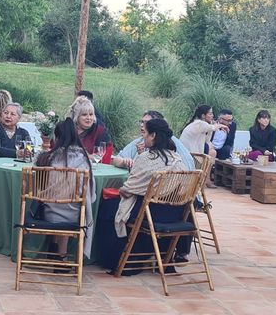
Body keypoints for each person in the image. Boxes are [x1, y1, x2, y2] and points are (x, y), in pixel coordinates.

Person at [97, 119, 190, 272]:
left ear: (153, 135)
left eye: (145, 133)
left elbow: (128, 189)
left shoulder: (146, 158)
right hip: (175, 214)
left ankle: (114, 259)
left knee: (108, 207)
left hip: (149, 214)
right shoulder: (177, 160)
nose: (143, 137)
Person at [34, 118, 96, 259]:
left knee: (55, 204)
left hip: (48, 213)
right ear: (76, 136)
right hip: (74, 215)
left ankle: (55, 248)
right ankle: (61, 255)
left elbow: (39, 187)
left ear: (56, 137)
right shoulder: (84, 159)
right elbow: (91, 195)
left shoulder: (46, 158)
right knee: (71, 206)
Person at [111, 110, 195, 171]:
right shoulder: (140, 141)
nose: (142, 125)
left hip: (170, 192)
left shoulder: (171, 143)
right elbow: (116, 159)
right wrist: (124, 162)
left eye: (146, 123)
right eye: (141, 122)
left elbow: (188, 169)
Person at [179, 105, 228, 187]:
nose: (212, 116)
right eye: (210, 114)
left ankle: (206, 179)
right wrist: (221, 126)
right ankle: (204, 180)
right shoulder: (199, 123)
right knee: (211, 154)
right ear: (203, 116)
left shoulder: (203, 124)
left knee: (212, 152)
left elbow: (207, 140)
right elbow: (212, 128)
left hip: (195, 151)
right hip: (189, 153)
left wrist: (213, 125)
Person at [67, 96, 113, 164]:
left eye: (91, 114)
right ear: (77, 116)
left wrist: (87, 157)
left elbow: (105, 155)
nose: (88, 118)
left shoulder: (100, 131)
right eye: (84, 115)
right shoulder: (67, 130)